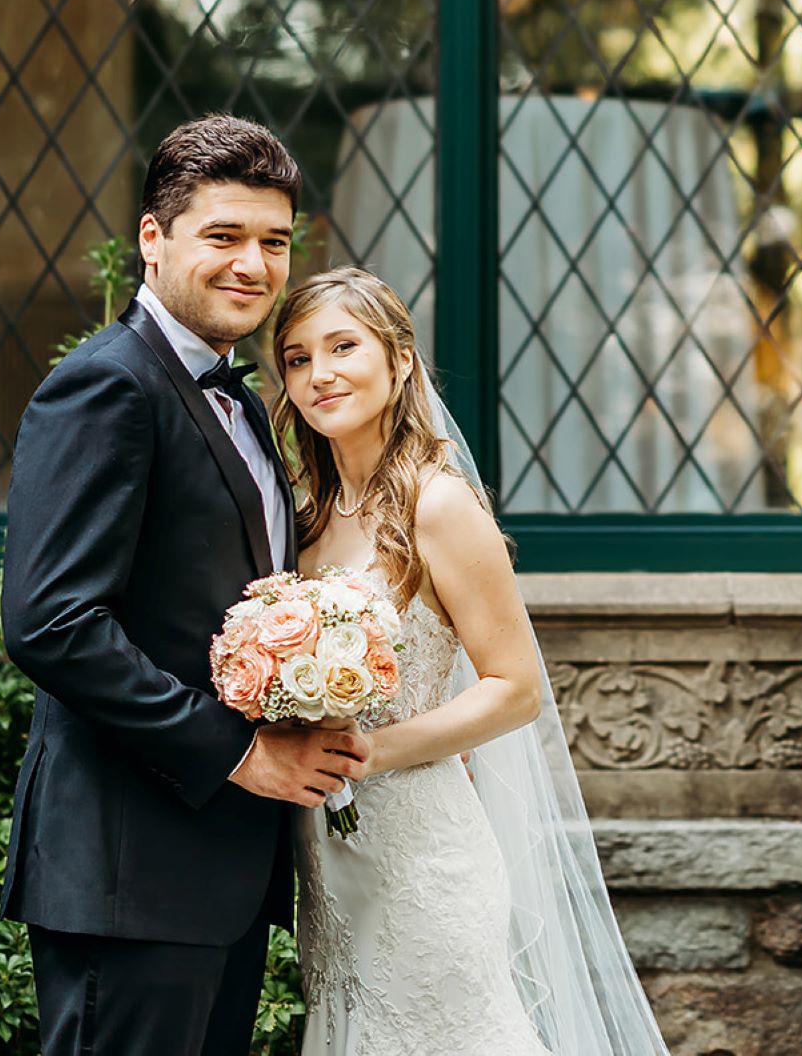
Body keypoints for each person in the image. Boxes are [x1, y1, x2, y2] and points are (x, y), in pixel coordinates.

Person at [0, 115, 371, 1055]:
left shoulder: (239, 395)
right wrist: (239, 754)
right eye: (224, 236)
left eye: (274, 242)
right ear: (153, 239)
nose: (253, 264)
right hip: (131, 870)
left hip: (221, 871)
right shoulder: (107, 385)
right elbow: (52, 622)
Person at [271, 267, 669, 1055]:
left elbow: (516, 689)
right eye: (295, 357)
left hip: (425, 853)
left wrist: (372, 751)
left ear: (400, 360)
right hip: (329, 855)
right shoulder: (304, 516)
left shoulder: (438, 503)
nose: (319, 374)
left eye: (342, 346)